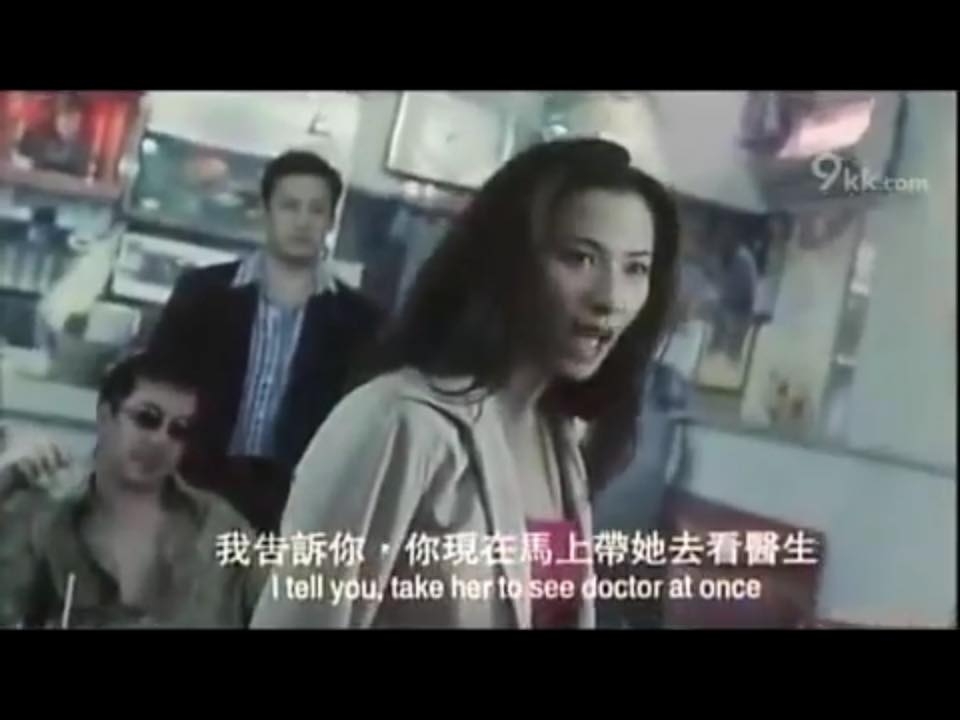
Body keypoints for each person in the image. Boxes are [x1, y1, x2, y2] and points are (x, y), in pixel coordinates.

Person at [251, 138, 679, 629]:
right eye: (580, 258)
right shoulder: (397, 421)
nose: (611, 297)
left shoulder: (560, 435)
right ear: (508, 262)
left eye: (636, 268)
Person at [148, 151, 384, 533]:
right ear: (265, 211)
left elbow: (359, 428)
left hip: (295, 509)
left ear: (330, 221)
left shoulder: (359, 320)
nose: (302, 222)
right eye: (290, 206)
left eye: (316, 210)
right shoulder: (203, 292)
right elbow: (156, 384)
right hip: (191, 490)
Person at [0, 352, 264, 628]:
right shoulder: (44, 514)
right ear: (106, 416)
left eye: (178, 430)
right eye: (147, 418)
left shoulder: (219, 526)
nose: (161, 440)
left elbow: (284, 601)